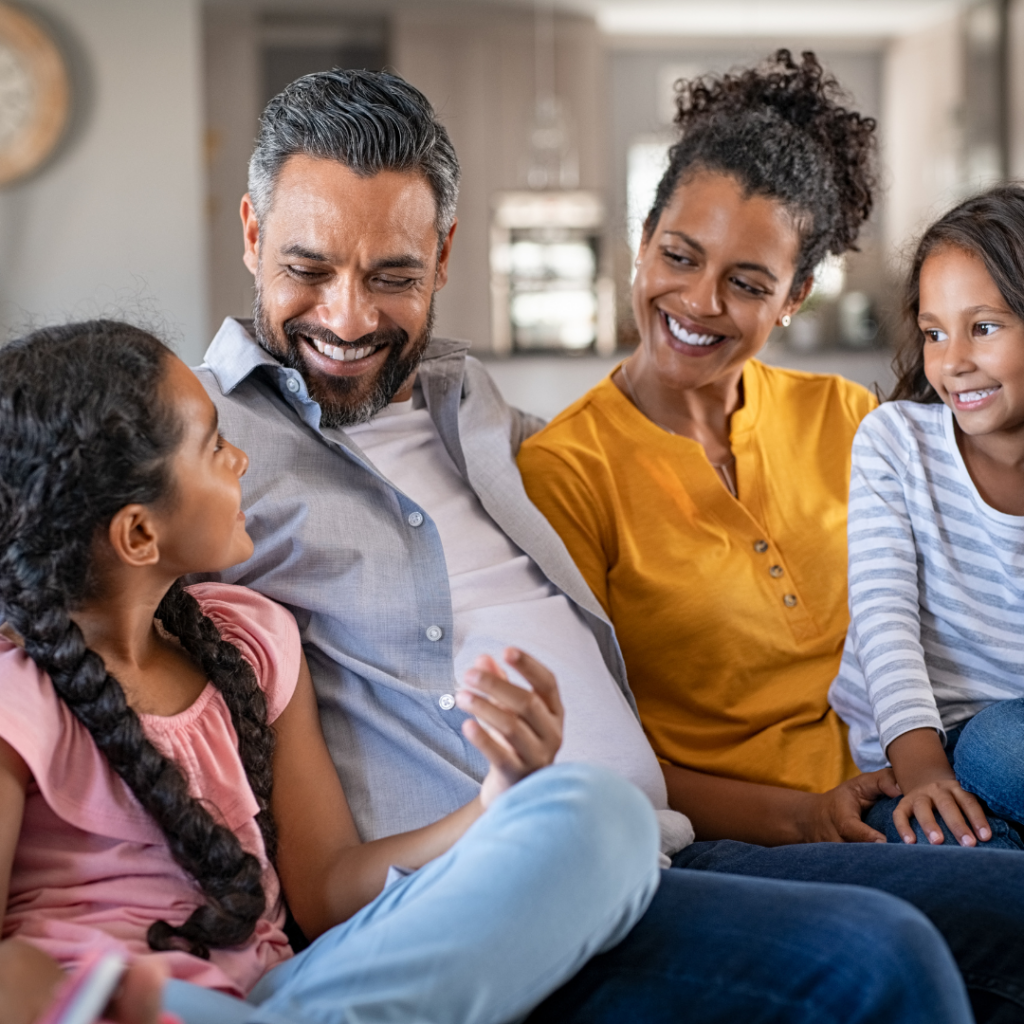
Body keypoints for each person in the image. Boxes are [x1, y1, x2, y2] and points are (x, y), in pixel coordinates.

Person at [196, 66, 1024, 1021]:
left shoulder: (473, 410)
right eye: (309, 269)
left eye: (394, 276)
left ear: (445, 258)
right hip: (511, 882)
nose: (349, 317)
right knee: (879, 957)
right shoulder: (197, 441)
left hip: (673, 846)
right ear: (254, 236)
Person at [0, 320, 662, 1024]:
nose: (242, 461)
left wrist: (495, 803)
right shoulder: (18, 697)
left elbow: (329, 890)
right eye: (215, 447)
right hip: (107, 1006)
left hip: (283, 998)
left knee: (603, 815)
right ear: (139, 533)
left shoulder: (252, 641)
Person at [517, 51, 1024, 856]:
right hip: (756, 842)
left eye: (748, 283)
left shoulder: (849, 417)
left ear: (795, 299)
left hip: (933, 788)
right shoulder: (564, 472)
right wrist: (806, 816)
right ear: (642, 241)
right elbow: (598, 752)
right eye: (679, 255)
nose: (699, 302)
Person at [830, 185, 1024, 850]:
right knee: (995, 750)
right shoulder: (896, 444)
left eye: (985, 327)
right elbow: (884, 621)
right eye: (935, 332)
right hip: (921, 745)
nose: (953, 361)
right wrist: (922, 773)